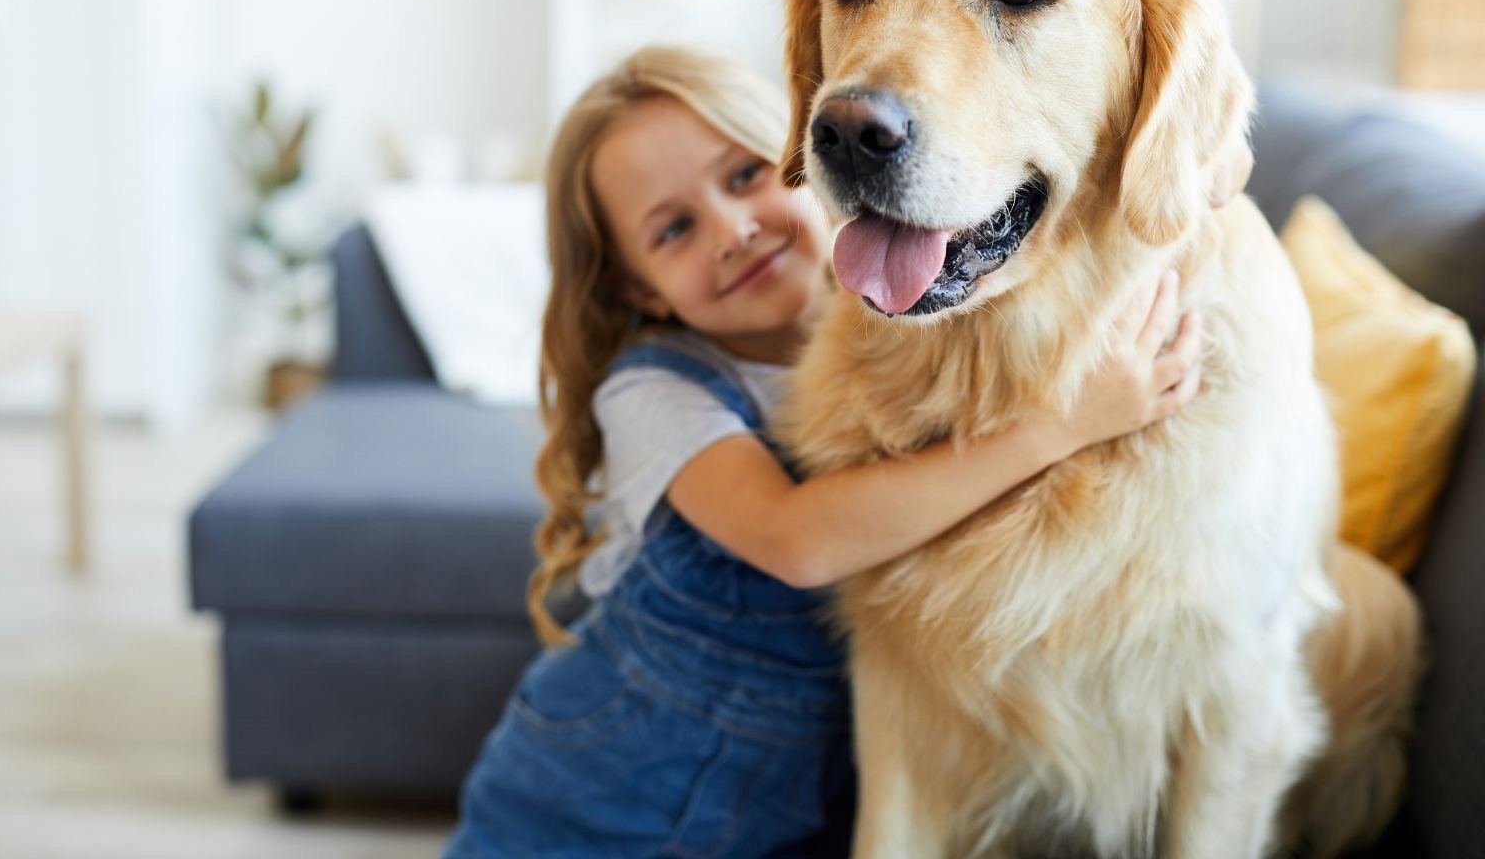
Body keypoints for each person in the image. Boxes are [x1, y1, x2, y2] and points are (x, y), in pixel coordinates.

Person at [443, 45, 1225, 857]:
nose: (733, 229)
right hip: (603, 805)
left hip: (788, 808)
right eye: (674, 229)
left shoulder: (904, 312)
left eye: (744, 176)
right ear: (638, 289)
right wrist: (1065, 424)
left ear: (803, 157)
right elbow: (798, 540)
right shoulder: (655, 392)